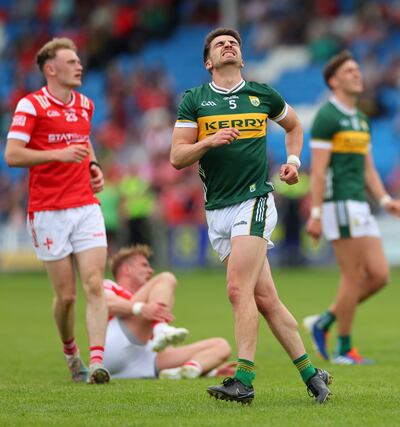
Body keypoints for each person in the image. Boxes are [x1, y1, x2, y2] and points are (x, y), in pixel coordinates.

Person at [170, 27, 332, 404]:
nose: (229, 46)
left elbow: (294, 126)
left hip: (253, 200)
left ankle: (243, 379)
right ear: (209, 62)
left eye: (234, 44)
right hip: (217, 211)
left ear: (241, 58)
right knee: (266, 299)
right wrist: (208, 140)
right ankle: (313, 375)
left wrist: (293, 161)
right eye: (219, 45)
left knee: (236, 289)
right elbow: (177, 157)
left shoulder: (262, 94)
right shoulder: (195, 100)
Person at [5, 37, 110, 384]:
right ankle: (71, 354)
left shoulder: (85, 104)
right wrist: (57, 155)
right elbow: (13, 155)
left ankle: (97, 362)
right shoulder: (30, 106)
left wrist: (93, 166)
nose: (79, 65)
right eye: (70, 61)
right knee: (66, 296)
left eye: (79, 60)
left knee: (95, 283)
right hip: (48, 210)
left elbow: (85, 140)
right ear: (50, 69)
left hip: (85, 206)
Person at [304, 50, 400, 364]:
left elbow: (368, 167)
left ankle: (325, 321)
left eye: (358, 69)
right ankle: (343, 348)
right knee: (354, 275)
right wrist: (316, 213)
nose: (357, 74)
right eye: (349, 71)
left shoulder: (360, 118)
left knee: (380, 276)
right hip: (339, 204)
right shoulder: (327, 116)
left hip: (360, 203)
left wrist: (385, 199)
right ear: (333, 81)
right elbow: (318, 170)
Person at [103, 245, 234, 379]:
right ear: (127, 269)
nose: (150, 270)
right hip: (115, 345)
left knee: (221, 346)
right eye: (144, 265)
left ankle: (189, 369)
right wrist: (141, 309)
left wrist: (209, 370)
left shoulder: (153, 296)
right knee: (166, 278)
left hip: (144, 359)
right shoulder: (110, 285)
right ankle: (161, 328)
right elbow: (106, 304)